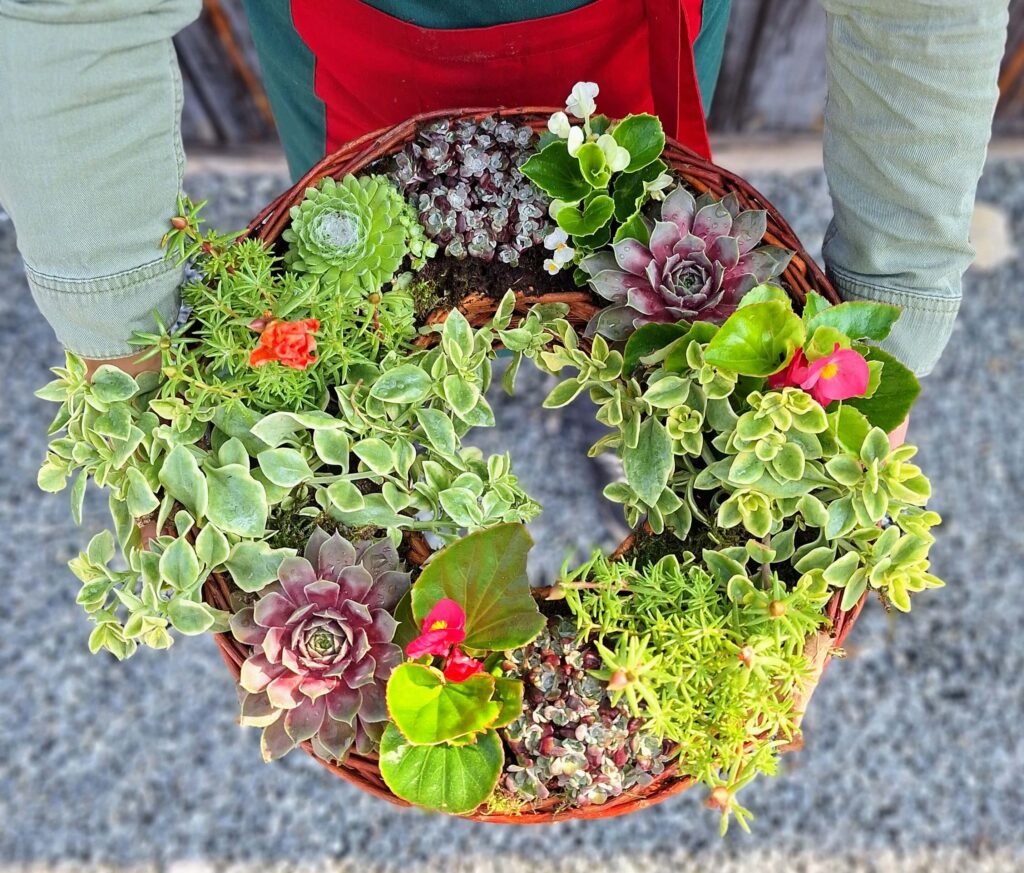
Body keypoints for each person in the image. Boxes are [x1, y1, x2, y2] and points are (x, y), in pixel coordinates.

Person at [0, 0, 1010, 391]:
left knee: (648, 270)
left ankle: (610, 391)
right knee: (368, 261)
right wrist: (123, 331)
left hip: (631, 36)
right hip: (354, 45)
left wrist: (898, 300)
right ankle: (440, 396)